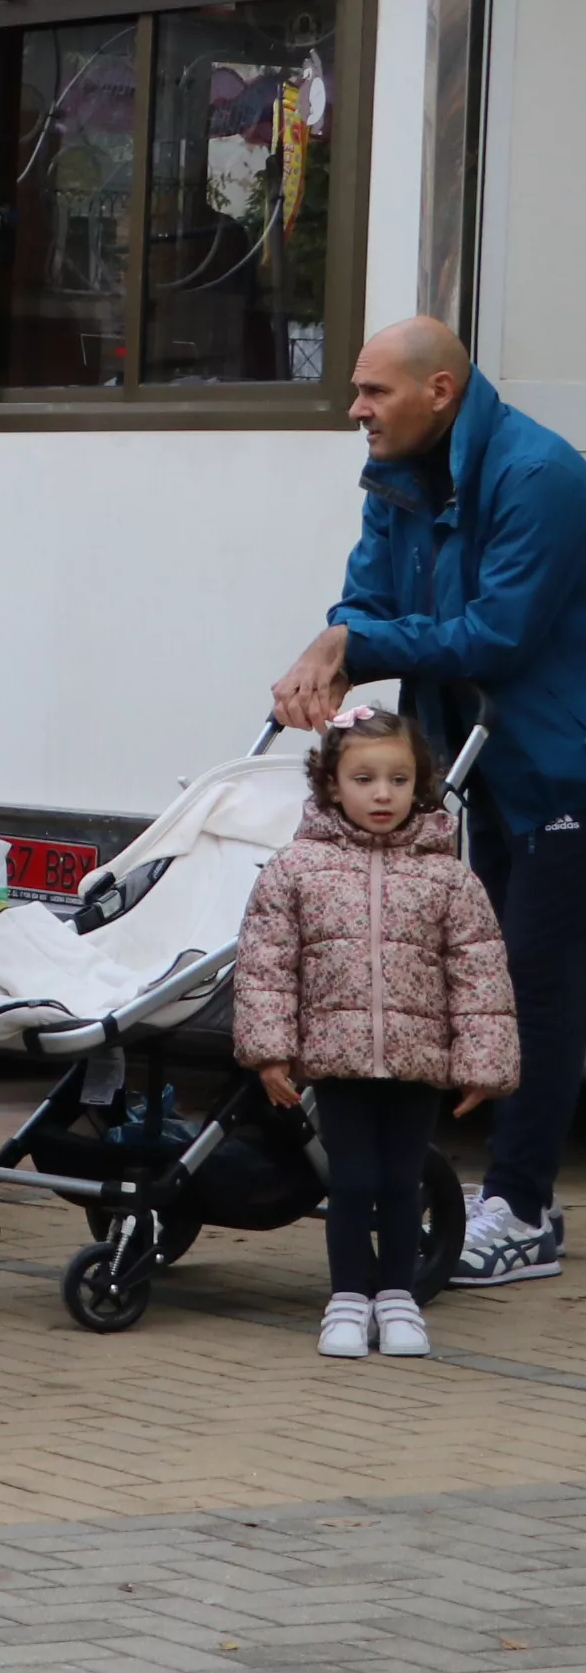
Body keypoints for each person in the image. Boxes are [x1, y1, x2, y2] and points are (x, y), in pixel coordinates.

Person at [271, 318, 586, 1292]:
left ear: (440, 390)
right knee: (465, 981)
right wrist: (342, 638)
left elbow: (496, 632)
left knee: (532, 986)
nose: (355, 410)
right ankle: (485, 1188)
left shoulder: (542, 476)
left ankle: (526, 1207)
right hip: (469, 768)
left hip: (562, 771)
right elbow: (364, 601)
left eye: (372, 391)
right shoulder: (399, 472)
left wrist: (352, 646)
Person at [233, 707, 517, 1360]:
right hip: (338, 1061)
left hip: (417, 1061)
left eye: (397, 778)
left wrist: (482, 1064)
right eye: (364, 778)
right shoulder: (298, 869)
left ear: (419, 782)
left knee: (402, 1183)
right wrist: (271, 1050)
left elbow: (478, 974)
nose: (382, 793)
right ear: (333, 784)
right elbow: (267, 964)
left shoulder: (446, 874)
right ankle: (346, 1299)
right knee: (352, 1181)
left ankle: (398, 1301)